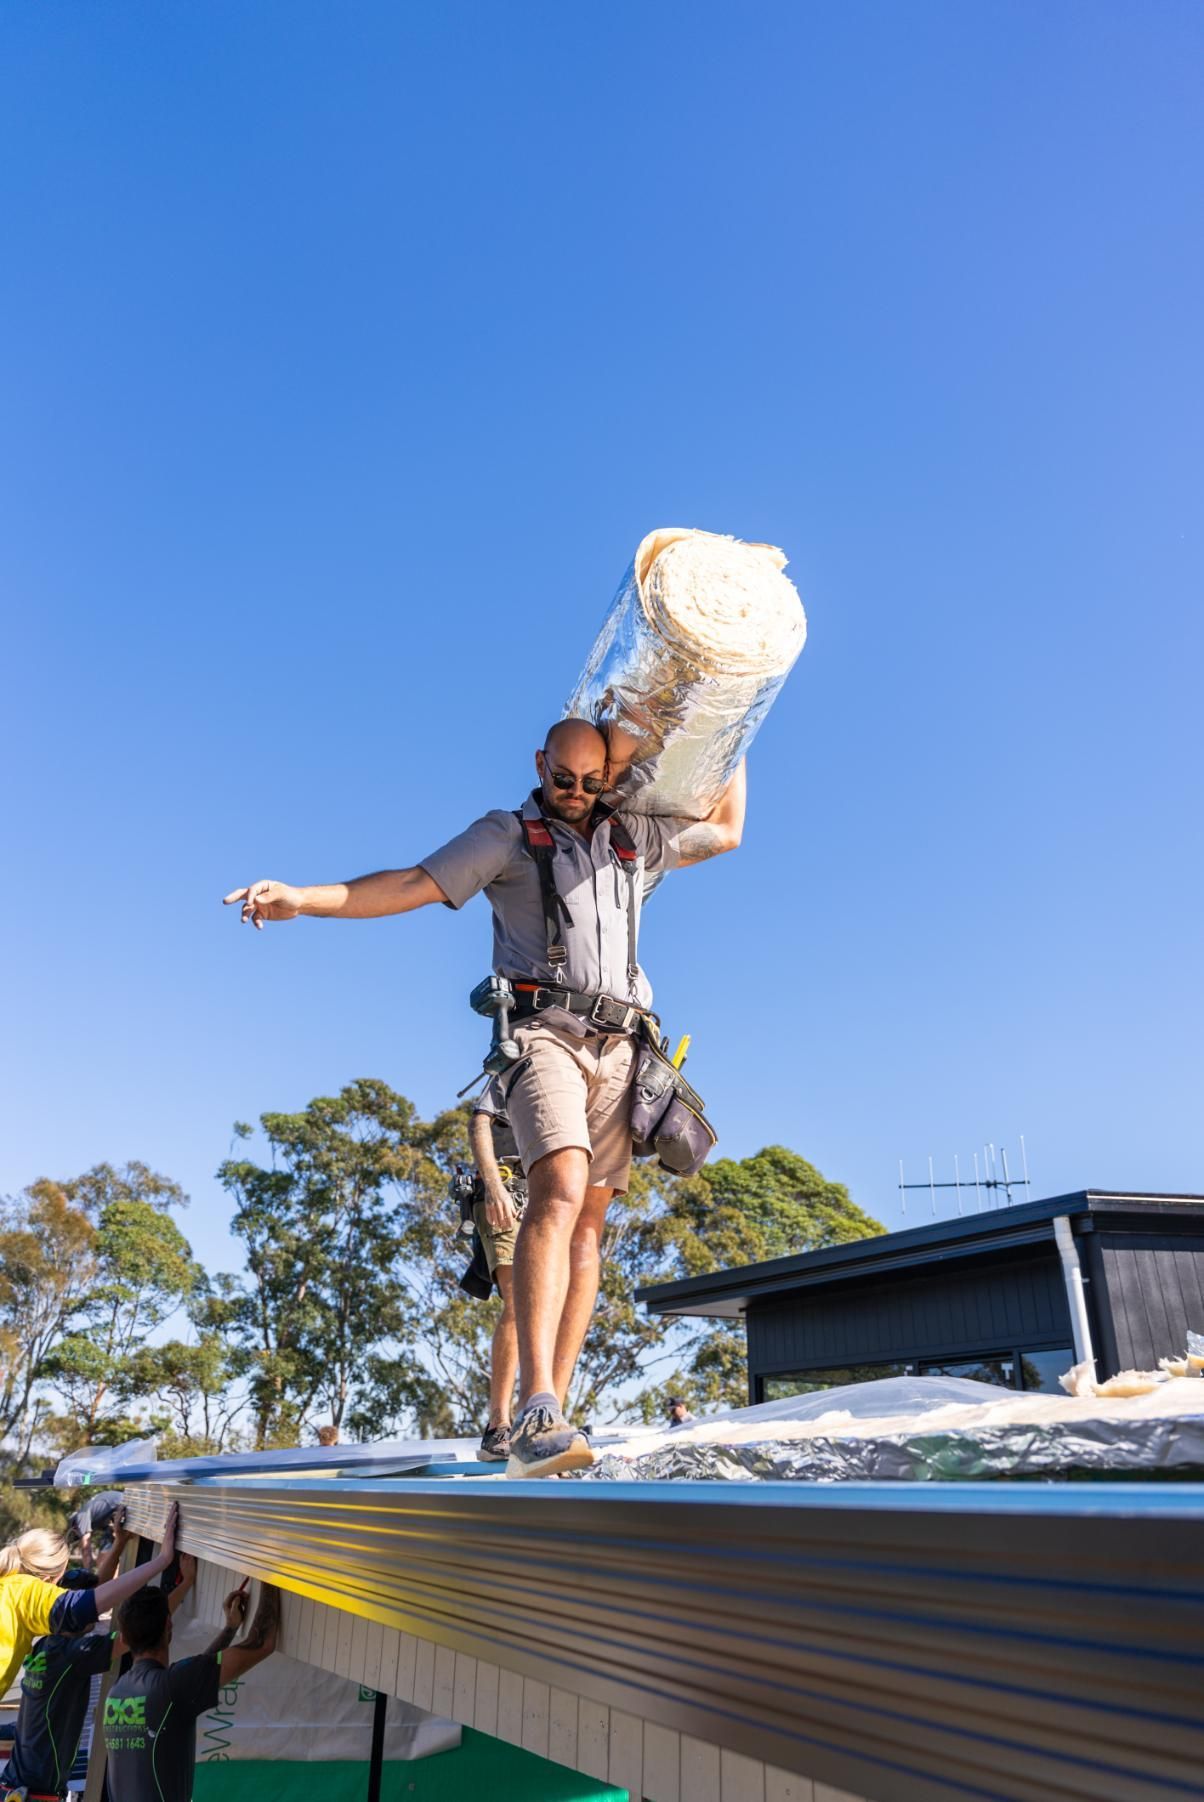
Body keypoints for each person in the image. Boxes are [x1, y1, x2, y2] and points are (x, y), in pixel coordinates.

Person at [224, 718, 745, 1478]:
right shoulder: (505, 835)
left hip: (623, 1048)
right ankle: (533, 1401)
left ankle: (555, 1414)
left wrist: (731, 712)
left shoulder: (633, 835)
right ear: (541, 764)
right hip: (544, 1037)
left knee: (591, 1223)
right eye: (562, 778)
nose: (574, 793)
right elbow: (408, 883)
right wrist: (303, 897)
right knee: (560, 1183)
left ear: (608, 777)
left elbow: (725, 829)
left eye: (590, 781)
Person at [0, 1554, 198, 1800]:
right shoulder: (72, 1657)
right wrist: (186, 1583)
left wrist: (120, 1545)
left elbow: (97, 1591)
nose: (95, 1613)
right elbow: (144, 1629)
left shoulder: (46, 1647)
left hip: (15, 1787)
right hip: (35, 1794)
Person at [104, 1579, 279, 1802]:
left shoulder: (117, 1693)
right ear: (168, 1626)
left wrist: (230, 1629)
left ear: (124, 1637)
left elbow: (193, 1677)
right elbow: (262, 1643)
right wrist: (269, 1572)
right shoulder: (170, 1688)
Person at [0, 1507, 180, 1713]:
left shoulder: (9, 1587)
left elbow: (94, 1593)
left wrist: (119, 1544)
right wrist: (162, 1560)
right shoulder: (26, 1592)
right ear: (48, 1580)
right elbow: (93, 1602)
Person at [468, 1076, 527, 1462]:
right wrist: (493, 1185)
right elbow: (479, 1120)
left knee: (549, 1309)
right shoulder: (518, 1058)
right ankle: (498, 1425)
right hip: (509, 1192)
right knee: (519, 1302)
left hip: (552, 1196)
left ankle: (536, 1418)